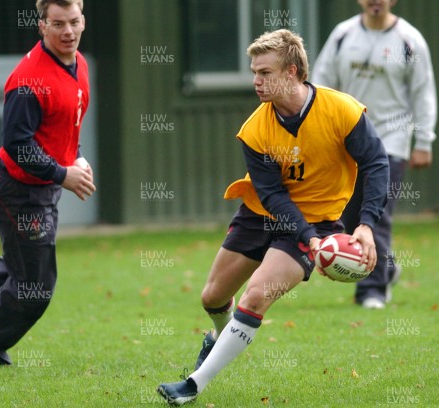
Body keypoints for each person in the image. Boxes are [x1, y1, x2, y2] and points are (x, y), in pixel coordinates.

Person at [157, 29, 389, 404]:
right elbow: (272, 194)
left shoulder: (342, 110)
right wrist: (307, 235)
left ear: (293, 72)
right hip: (260, 214)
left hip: (318, 222)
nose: (256, 81)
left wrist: (364, 225)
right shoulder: (255, 130)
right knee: (213, 298)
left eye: (265, 72)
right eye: (254, 72)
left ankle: (193, 385)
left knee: (255, 297)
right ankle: (217, 336)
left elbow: (376, 163)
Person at [0, 0, 95, 367]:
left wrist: (75, 155)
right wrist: (63, 174)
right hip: (18, 191)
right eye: (58, 23)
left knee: (13, 268)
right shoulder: (27, 80)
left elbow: (65, 123)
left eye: (74, 21)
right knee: (35, 288)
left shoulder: (77, 63)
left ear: (83, 20)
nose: (68, 31)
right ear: (42, 26)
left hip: (39, 189)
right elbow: (18, 144)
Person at [311, 0, 437, 309]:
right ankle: (387, 266)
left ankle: (372, 291)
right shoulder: (343, 35)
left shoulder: (409, 40)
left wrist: (424, 141)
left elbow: (423, 91)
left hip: (391, 142)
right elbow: (321, 83)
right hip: (347, 140)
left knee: (376, 216)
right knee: (348, 218)